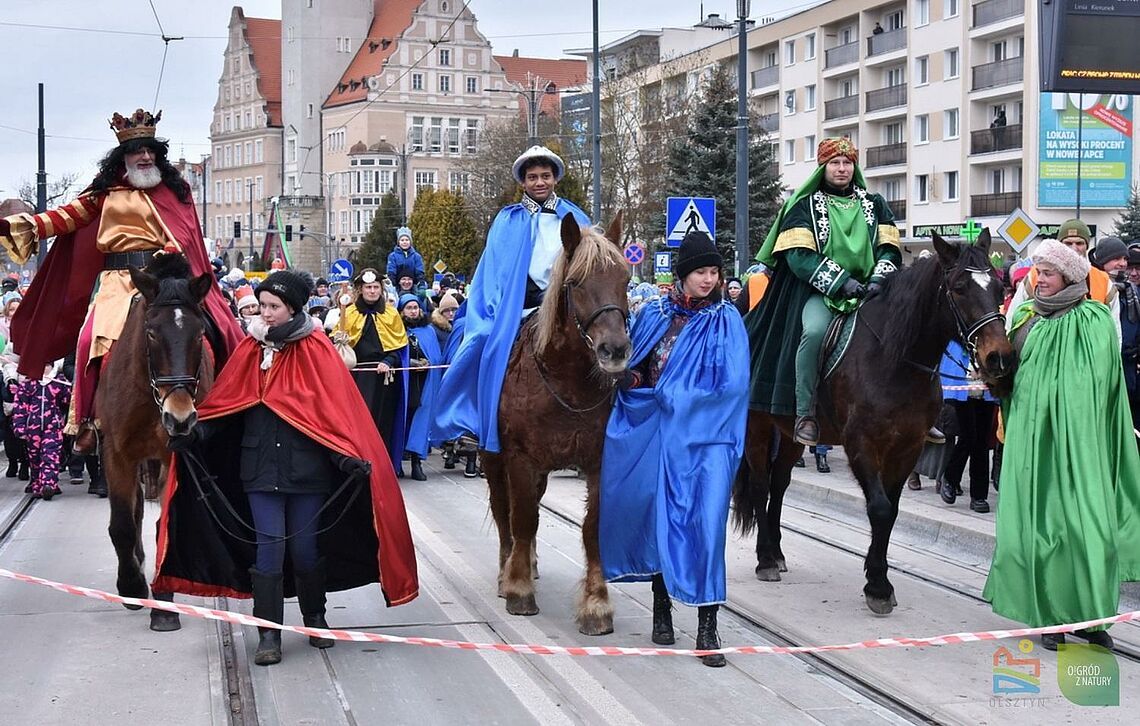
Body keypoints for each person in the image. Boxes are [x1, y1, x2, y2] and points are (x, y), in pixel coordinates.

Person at [157, 269, 418, 666]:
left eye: (272, 307)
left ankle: (315, 617)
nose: (264, 314)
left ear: (292, 307)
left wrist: (346, 458)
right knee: (269, 551)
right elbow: (226, 409)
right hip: (259, 470)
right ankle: (269, 634)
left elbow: (333, 415)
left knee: (306, 549)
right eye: (261, 306)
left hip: (307, 473)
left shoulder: (316, 348)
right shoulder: (250, 348)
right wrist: (195, 437)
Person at [0, 108, 242, 454]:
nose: (145, 156)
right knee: (88, 342)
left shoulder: (175, 191)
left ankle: (221, 405)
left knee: (212, 330)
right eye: (137, 151)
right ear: (123, 157)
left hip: (162, 278)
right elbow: (67, 217)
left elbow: (184, 233)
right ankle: (90, 422)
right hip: (116, 280)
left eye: (150, 151)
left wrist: (169, 251)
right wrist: (24, 225)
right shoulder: (105, 192)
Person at [599, 231, 749, 668]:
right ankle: (661, 605)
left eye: (714, 271)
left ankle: (707, 626)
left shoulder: (727, 321)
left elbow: (733, 386)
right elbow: (641, 369)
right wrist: (630, 382)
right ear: (683, 275)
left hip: (707, 441)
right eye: (701, 271)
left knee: (706, 524)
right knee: (655, 515)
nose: (709, 279)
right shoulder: (654, 316)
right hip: (660, 435)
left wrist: (678, 396)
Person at [984, 239, 1140, 651]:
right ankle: (1052, 616)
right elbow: (1009, 376)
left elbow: (1107, 382)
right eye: (1038, 273)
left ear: (1069, 276)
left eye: (1048, 273)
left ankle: (1092, 619)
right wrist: (997, 380)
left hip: (1084, 442)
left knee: (1089, 528)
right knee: (1046, 529)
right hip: (1036, 443)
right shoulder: (1024, 319)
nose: (1040, 281)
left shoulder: (1094, 319)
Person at [434, 145, 590, 454]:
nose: (539, 183)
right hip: (518, 306)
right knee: (481, 341)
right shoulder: (508, 219)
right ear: (523, 182)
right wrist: (497, 308)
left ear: (555, 178)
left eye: (545, 176)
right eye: (532, 177)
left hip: (565, 304)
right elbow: (495, 271)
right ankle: (476, 420)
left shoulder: (575, 217)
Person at [747, 137, 901, 446]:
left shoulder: (874, 204)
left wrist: (876, 280)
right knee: (814, 332)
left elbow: (890, 250)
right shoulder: (803, 206)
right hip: (824, 292)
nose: (842, 168)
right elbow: (799, 257)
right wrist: (842, 282)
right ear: (823, 167)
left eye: (847, 163)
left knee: (907, 330)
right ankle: (805, 412)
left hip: (870, 292)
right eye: (835, 163)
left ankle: (917, 412)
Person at [339, 268, 410, 468]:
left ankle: (382, 464)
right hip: (358, 377)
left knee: (382, 422)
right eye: (368, 287)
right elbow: (338, 346)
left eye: (375, 287)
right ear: (360, 290)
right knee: (359, 421)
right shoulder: (349, 312)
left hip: (384, 378)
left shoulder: (390, 313)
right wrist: (339, 339)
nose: (372, 291)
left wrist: (388, 361)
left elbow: (399, 347)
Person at [1007, 221, 1121, 342]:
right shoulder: (1035, 275)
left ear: (1087, 246)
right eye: (1068, 243)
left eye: (1079, 243)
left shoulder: (1102, 280)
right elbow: (1012, 318)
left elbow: (1114, 330)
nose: (1073, 248)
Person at [937, 340, 998, 513]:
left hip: (986, 390)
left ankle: (978, 496)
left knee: (982, 442)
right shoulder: (960, 334)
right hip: (963, 388)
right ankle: (949, 477)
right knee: (969, 436)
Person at [399, 294, 444, 482]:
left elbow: (436, 356)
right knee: (402, 422)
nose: (413, 311)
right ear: (401, 311)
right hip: (404, 383)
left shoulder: (428, 331)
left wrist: (427, 363)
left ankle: (417, 462)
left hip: (424, 384)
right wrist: (410, 362)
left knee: (421, 422)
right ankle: (397, 463)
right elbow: (396, 355)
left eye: (415, 307)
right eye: (408, 308)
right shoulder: (396, 330)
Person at [1122, 245, 1140, 432]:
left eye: (1138, 268)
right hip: (1126, 369)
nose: (1133, 273)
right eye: (1130, 268)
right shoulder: (1121, 292)